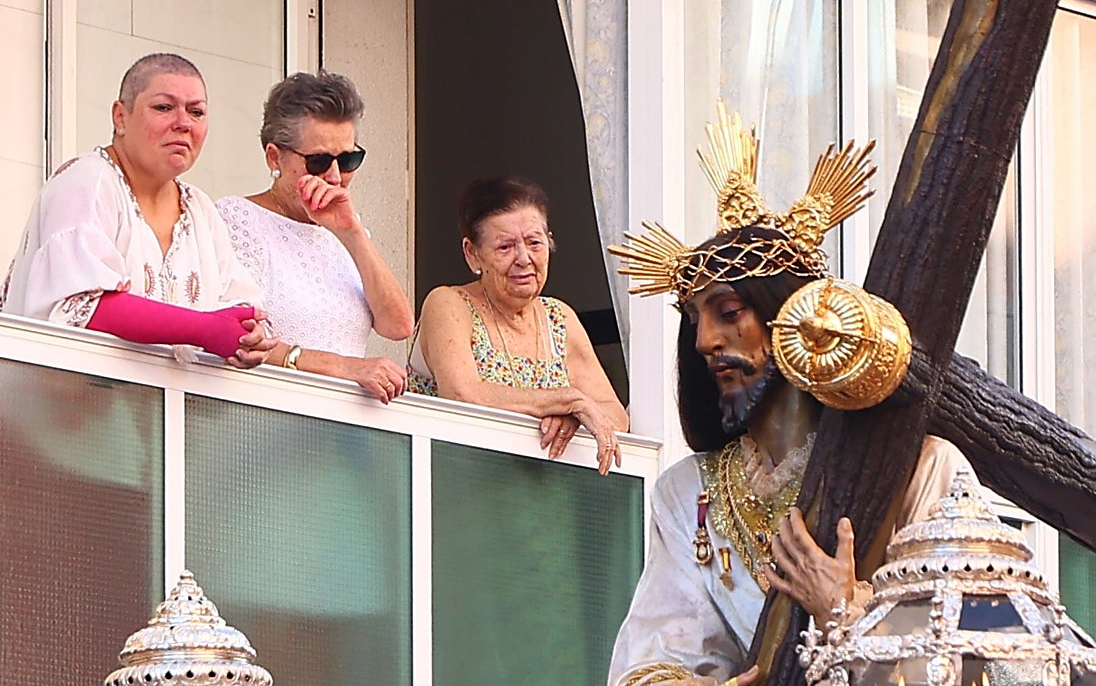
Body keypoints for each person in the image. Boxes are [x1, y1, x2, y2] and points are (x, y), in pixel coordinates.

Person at [607, 116, 972, 686]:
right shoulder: (690, 495)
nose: (706, 341)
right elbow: (652, 660)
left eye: (729, 314)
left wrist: (845, 612)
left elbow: (972, 656)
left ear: (794, 319)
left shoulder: (926, 467)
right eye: (694, 320)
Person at [1, 53, 276, 367]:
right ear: (120, 117)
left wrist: (251, 335)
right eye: (163, 107)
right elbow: (82, 306)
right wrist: (204, 328)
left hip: (172, 413)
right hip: (64, 410)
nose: (183, 123)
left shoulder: (200, 209)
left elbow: (242, 306)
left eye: (196, 112)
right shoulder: (87, 181)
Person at [407, 176, 628, 473]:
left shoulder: (559, 318)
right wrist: (565, 400)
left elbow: (615, 416)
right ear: (472, 253)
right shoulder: (449, 304)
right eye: (505, 247)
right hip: (457, 492)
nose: (524, 258)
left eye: (535, 242)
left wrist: (573, 417)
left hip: (549, 500)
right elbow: (462, 394)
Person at [217, 71, 414, 401]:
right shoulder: (237, 218)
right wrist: (345, 367)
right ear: (274, 157)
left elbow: (398, 325)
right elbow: (237, 334)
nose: (336, 177)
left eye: (349, 159)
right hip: (263, 419)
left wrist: (352, 233)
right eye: (319, 161)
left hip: (339, 436)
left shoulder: (346, 228)